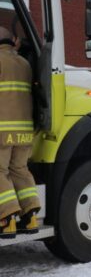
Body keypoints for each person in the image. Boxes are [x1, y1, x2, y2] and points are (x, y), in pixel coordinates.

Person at [0, 26, 40, 238]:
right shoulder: (24, 64)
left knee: (0, 172)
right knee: (20, 170)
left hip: (1, 130)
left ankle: (6, 220)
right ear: (12, 41)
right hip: (24, 131)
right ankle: (30, 215)